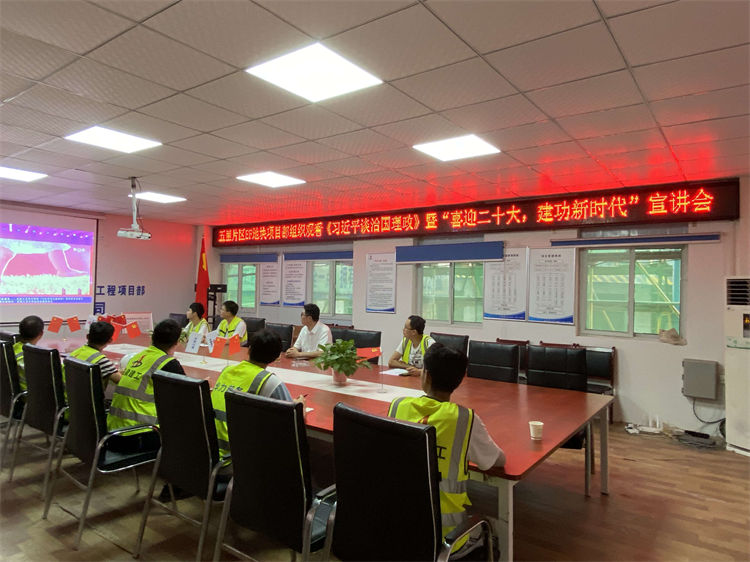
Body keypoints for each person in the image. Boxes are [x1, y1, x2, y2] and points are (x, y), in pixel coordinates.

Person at [388, 343, 505, 554]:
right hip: (445, 538)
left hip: (394, 524)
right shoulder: (464, 419)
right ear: (458, 381)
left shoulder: (398, 406)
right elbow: (496, 461)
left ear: (426, 376)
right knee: (492, 535)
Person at [211, 329, 305, 455]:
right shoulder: (270, 381)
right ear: (277, 357)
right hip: (236, 457)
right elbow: (292, 420)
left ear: (249, 350)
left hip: (209, 450)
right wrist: (300, 406)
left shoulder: (226, 371)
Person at [107, 318, 185, 452]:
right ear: (177, 342)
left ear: (152, 337)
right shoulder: (168, 363)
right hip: (136, 437)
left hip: (112, 433)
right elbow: (189, 396)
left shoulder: (137, 357)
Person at [68, 321, 121, 385]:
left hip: (69, 390)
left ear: (87, 336)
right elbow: (122, 381)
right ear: (110, 340)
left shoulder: (76, 352)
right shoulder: (101, 360)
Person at [13, 315, 44, 390]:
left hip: (20, 391)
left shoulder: (13, 348)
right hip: (31, 393)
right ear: (41, 334)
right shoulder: (33, 356)